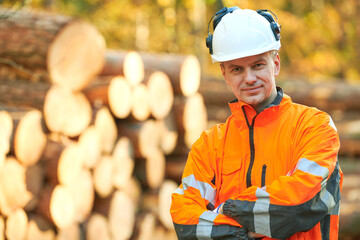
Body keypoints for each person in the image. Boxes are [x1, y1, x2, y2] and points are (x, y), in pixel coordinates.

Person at [170, 6, 343, 240]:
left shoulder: (314, 127)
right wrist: (244, 231)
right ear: (224, 74)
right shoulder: (209, 146)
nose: (249, 78)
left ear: (276, 64)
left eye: (258, 65)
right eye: (237, 69)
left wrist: (226, 210)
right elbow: (184, 222)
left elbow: (298, 205)